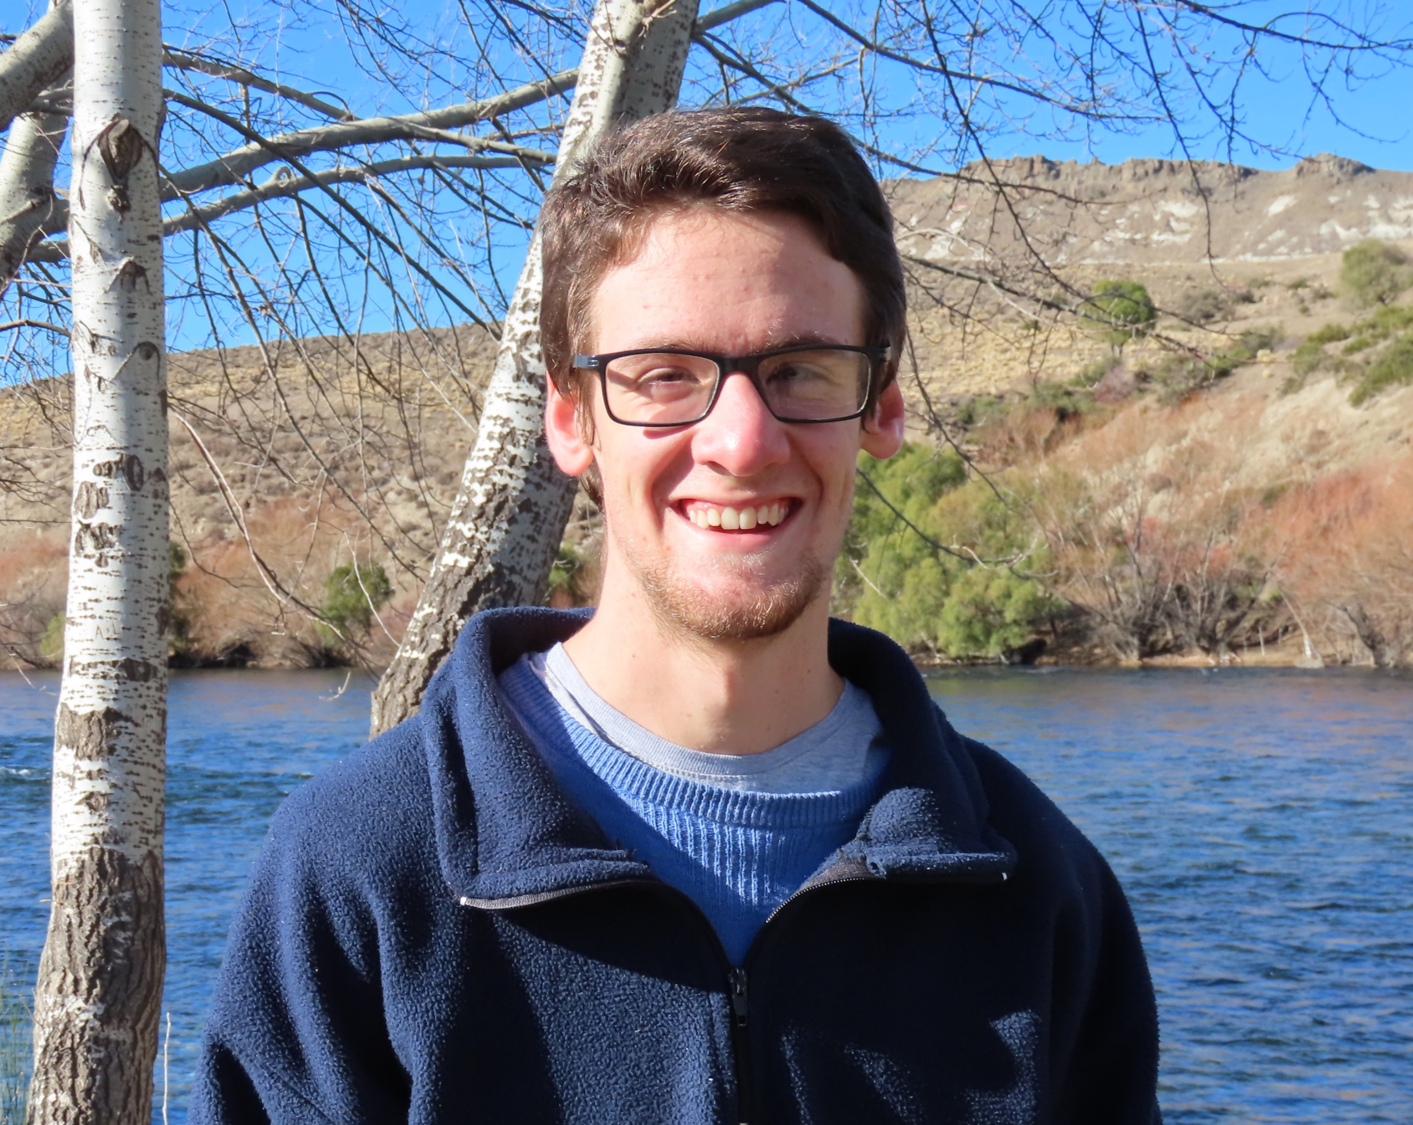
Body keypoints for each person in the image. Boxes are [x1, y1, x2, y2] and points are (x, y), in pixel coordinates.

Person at [193, 107, 1161, 1124]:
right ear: (571, 419)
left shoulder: (1038, 889)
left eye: (799, 370)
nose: (741, 441)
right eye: (664, 376)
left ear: (882, 406)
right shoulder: (362, 869)